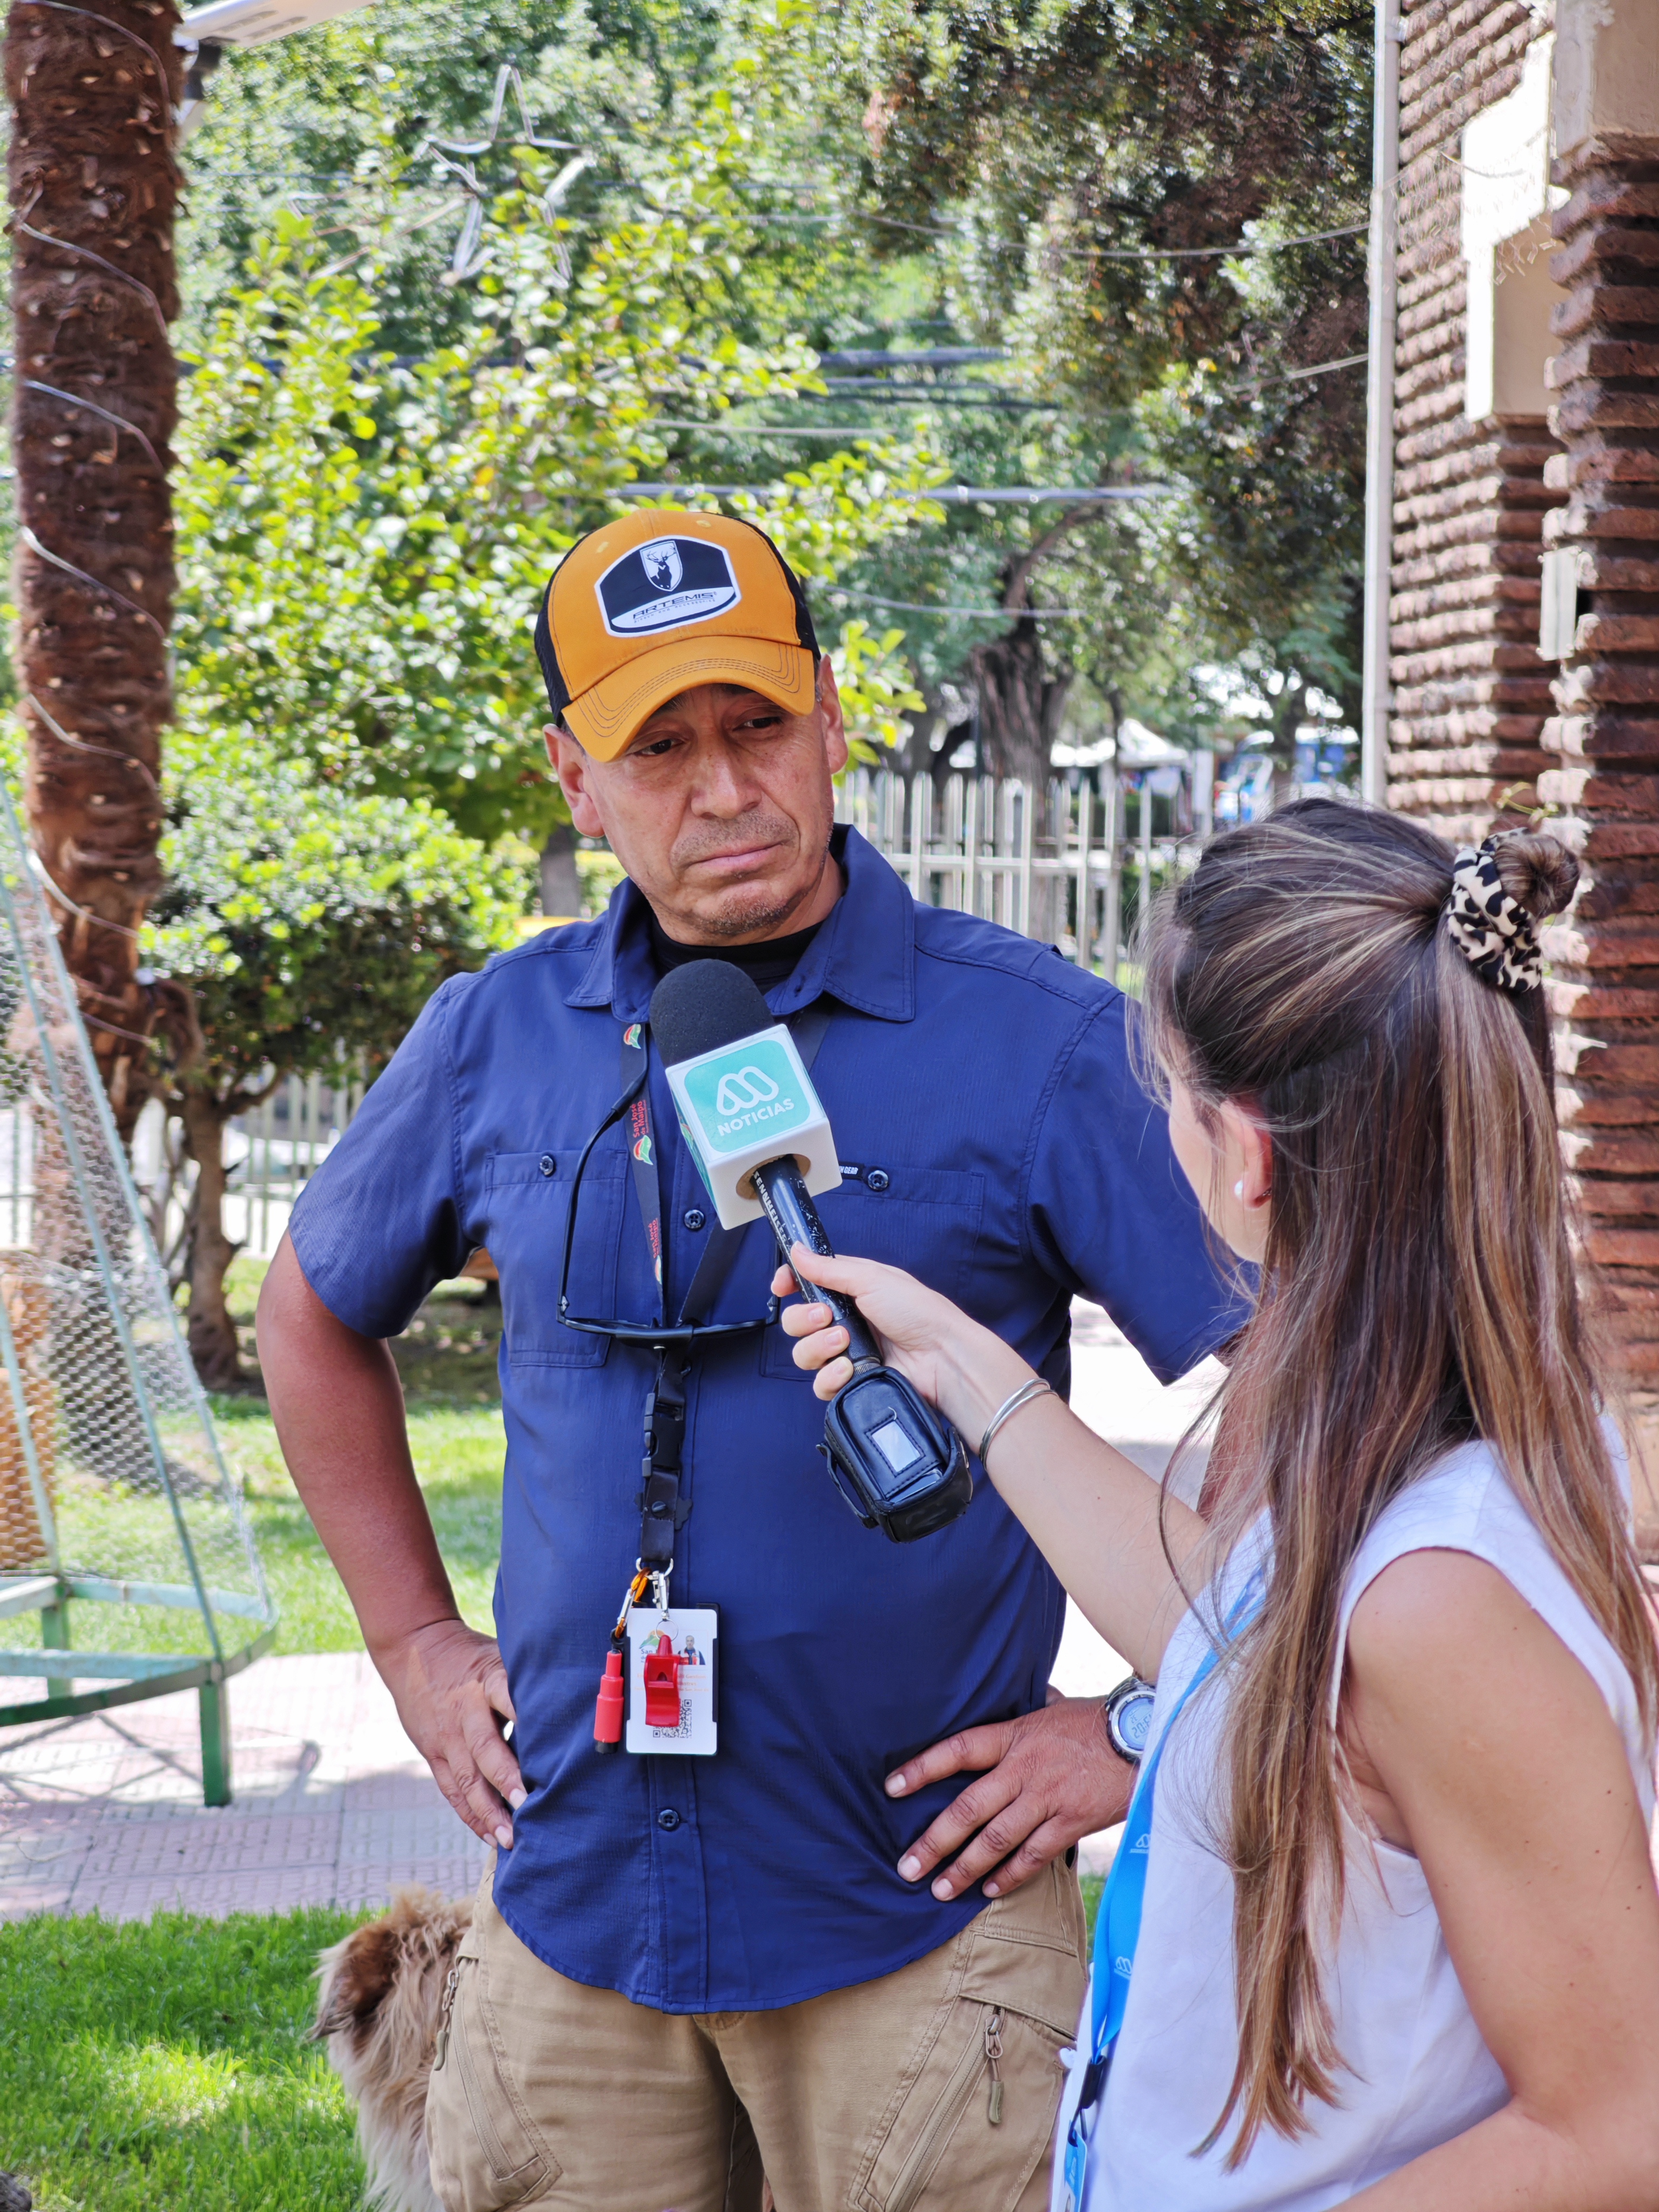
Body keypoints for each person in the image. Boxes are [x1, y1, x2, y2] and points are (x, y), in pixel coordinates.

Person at [255, 507, 1242, 2212]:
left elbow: (1305, 1364)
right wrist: (414, 1644)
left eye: (758, 725)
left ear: (832, 718)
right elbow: (311, 1311)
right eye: (661, 748)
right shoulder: (498, 1035)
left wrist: (1149, 1720)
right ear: (576, 782)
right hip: (573, 1916)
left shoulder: (1038, 1040)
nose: (724, 789)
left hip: (922, 1930)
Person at [781, 801, 1659, 2211]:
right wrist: (953, 1360)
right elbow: (1231, 1655)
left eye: (1169, 1098)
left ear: (1244, 1152)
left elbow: (1619, 2127)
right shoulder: (1377, 1449)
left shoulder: (1444, 1594)